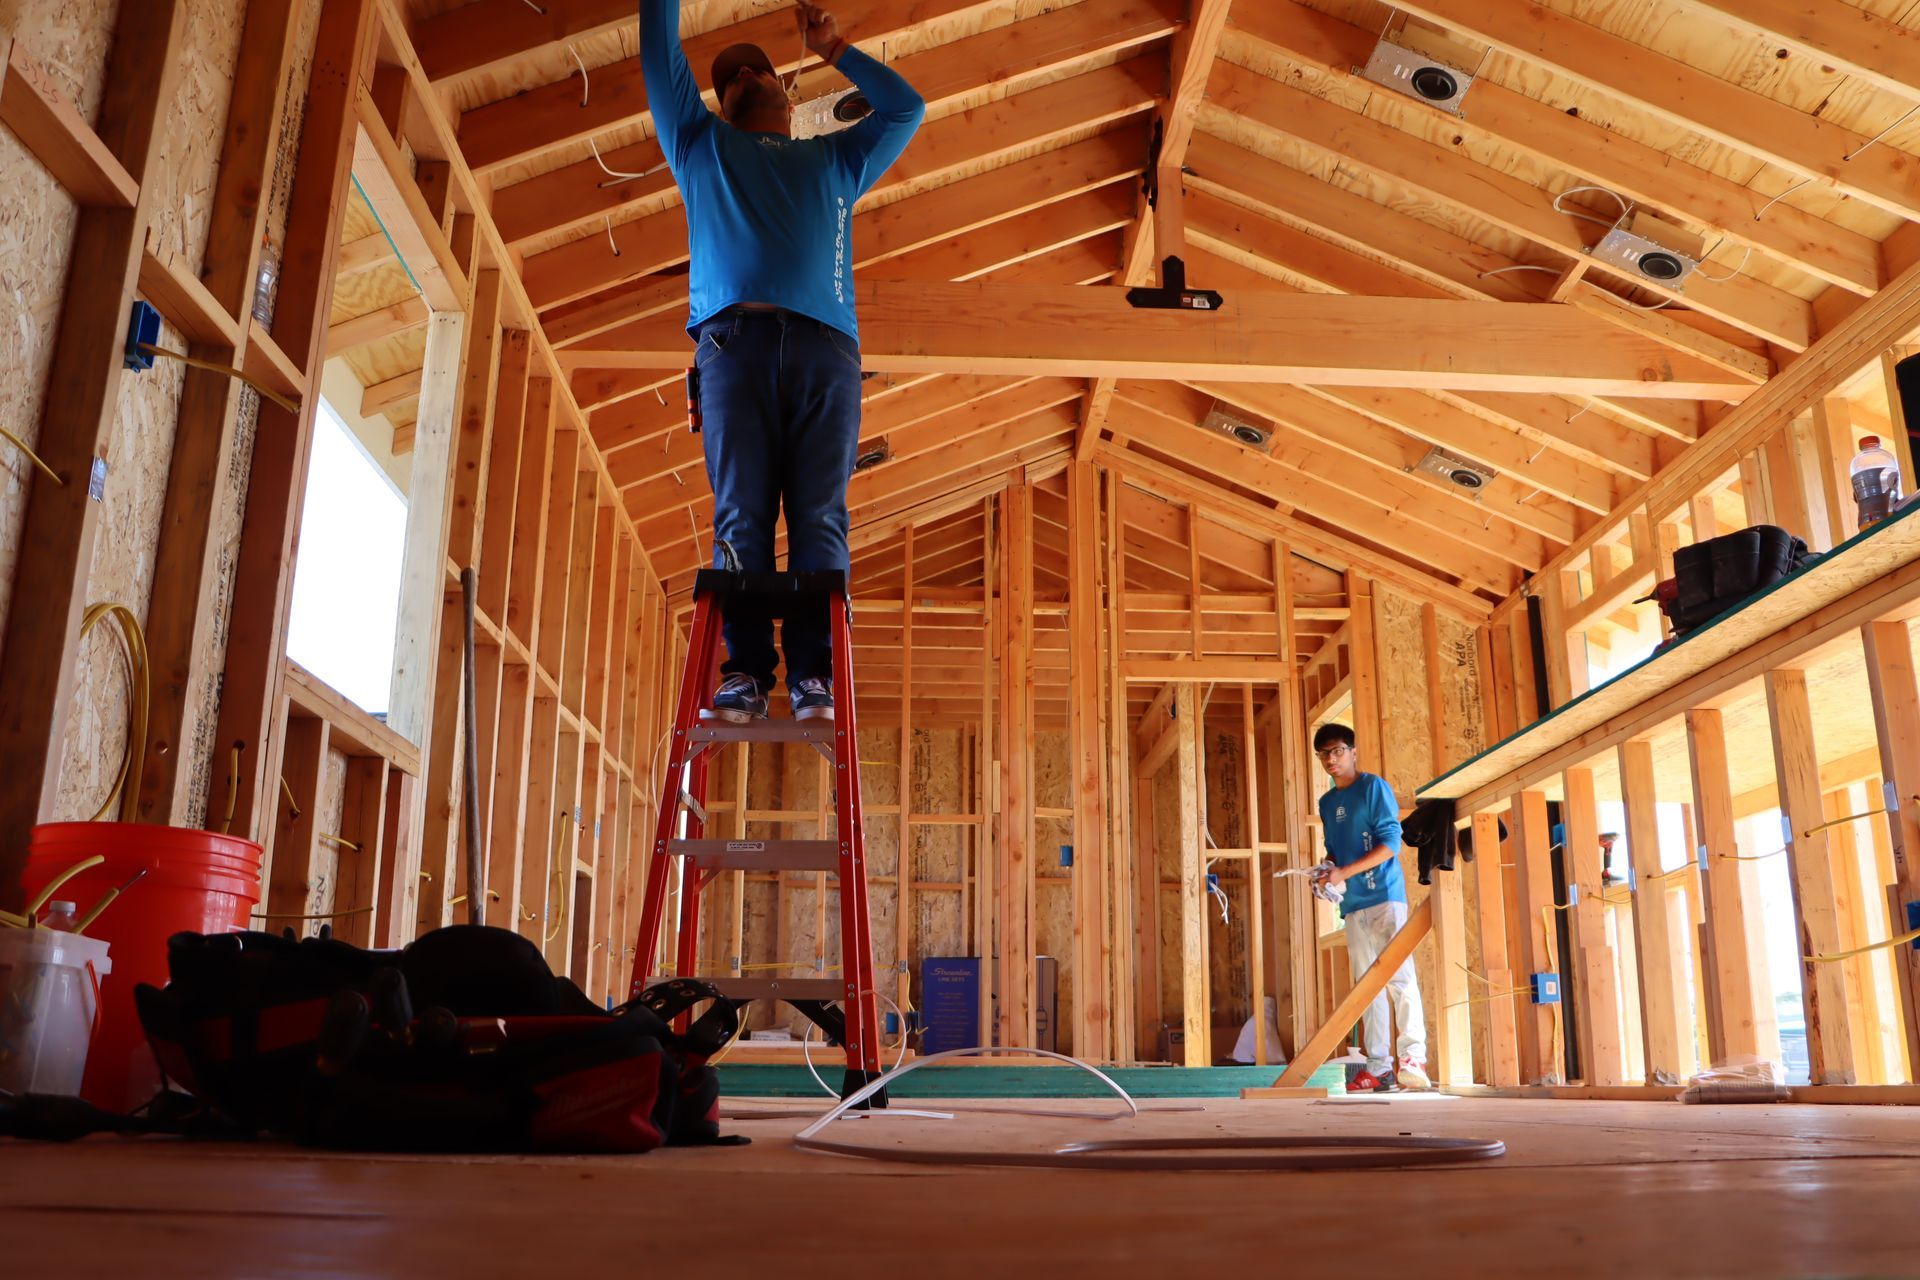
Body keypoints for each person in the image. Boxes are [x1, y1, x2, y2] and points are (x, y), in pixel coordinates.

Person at [640, 0, 925, 722]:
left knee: (820, 516)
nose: (740, 79)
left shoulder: (833, 157)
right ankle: (744, 672)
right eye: (728, 80)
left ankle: (812, 677)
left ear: (788, 91)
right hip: (733, 348)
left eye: (752, 70)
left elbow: (906, 109)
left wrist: (836, 49)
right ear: (720, 103)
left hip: (826, 349)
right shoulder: (698, 144)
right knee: (741, 516)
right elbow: (657, 47)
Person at [1310, 723, 1430, 1092]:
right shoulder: (1327, 803)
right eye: (1324, 754)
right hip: (1353, 904)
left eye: (1338, 751)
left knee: (1399, 979)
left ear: (1353, 751)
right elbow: (1335, 848)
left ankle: (1413, 1058)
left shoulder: (1372, 787)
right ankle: (1379, 1068)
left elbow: (1391, 843)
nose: (1331, 759)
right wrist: (1328, 870)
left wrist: (1346, 870)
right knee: (1367, 986)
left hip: (1384, 898)